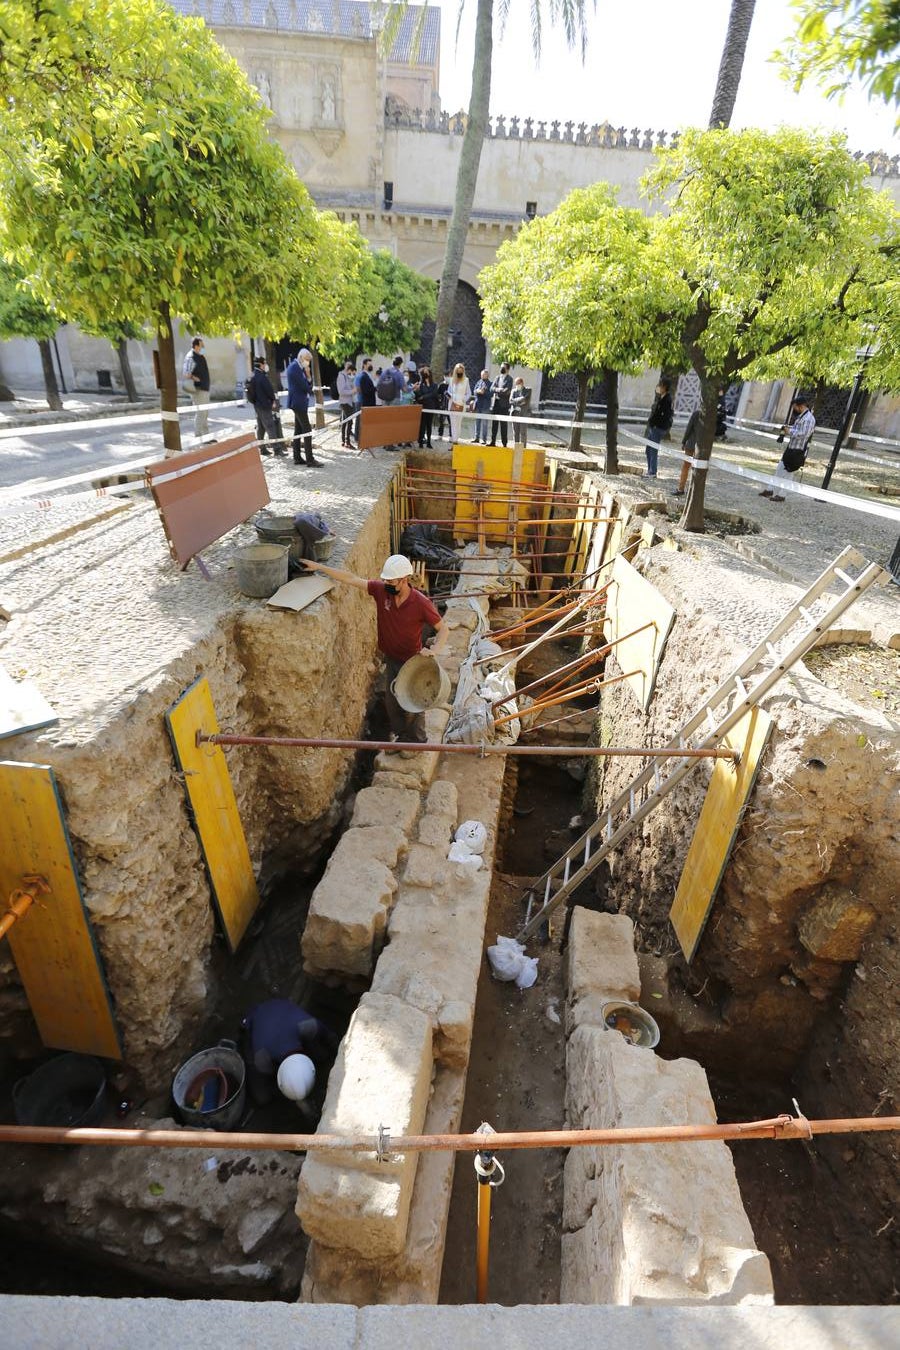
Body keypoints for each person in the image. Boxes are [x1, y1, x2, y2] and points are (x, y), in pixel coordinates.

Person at [301, 553, 449, 743]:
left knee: (414, 702)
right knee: (392, 702)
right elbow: (351, 578)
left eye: (391, 582)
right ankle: (401, 736)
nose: (387, 584)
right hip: (391, 658)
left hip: (412, 662)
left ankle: (418, 741)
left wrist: (434, 650)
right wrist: (319, 567)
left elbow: (443, 630)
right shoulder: (382, 591)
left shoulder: (421, 603)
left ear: (404, 580)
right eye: (385, 580)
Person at [242, 997, 339, 1105]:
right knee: (263, 1097)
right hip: (257, 1017)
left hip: (281, 1008)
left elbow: (330, 1037)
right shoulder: (261, 1057)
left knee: (322, 1055)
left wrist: (339, 1052)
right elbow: (267, 1073)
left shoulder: (309, 1026)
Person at [760, 394, 816, 503]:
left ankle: (782, 495)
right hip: (791, 448)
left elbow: (804, 434)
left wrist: (789, 431)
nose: (794, 409)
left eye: (795, 407)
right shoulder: (802, 416)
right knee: (780, 468)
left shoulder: (809, 419)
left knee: (789, 473)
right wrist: (788, 429)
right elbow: (797, 429)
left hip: (797, 450)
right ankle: (770, 489)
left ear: (801, 406)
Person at [286, 347, 322, 467]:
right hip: (298, 403)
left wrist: (308, 377)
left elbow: (307, 385)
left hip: (299, 403)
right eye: (307, 360)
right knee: (307, 431)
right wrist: (308, 377)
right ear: (301, 357)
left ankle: (297, 457)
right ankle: (310, 460)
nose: (308, 363)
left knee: (298, 431)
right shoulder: (295, 368)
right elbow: (306, 387)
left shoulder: (298, 367)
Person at [247, 355, 285, 456]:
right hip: (264, 406)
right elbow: (269, 390)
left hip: (257, 405)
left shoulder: (253, 376)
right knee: (270, 426)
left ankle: (262, 448)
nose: (265, 365)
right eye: (264, 363)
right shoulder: (262, 377)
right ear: (260, 365)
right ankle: (277, 449)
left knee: (261, 427)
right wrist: (273, 400)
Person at [644, 377, 673, 478]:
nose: (659, 387)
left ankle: (652, 472)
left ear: (664, 387)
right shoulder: (661, 397)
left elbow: (665, 415)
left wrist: (656, 424)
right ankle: (650, 470)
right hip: (654, 427)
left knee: (653, 449)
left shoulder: (667, 399)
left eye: (660, 385)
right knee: (648, 449)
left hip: (658, 428)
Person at [672, 405, 700, 497]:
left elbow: (689, 428)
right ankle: (692, 491)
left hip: (691, 444)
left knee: (686, 467)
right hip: (702, 447)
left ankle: (681, 488)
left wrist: (684, 441)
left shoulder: (697, 413)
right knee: (697, 469)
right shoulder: (711, 416)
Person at [187, 337, 210, 439]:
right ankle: (198, 436)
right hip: (198, 389)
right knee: (201, 413)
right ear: (196, 346)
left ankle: (206, 436)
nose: (203, 347)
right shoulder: (191, 357)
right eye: (202, 345)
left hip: (204, 388)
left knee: (205, 413)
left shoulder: (200, 356)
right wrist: (194, 378)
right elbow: (186, 372)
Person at [488, 363, 513, 447]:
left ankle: (504, 443)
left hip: (504, 405)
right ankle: (493, 441)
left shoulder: (510, 379)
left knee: (503, 425)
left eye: (503, 367)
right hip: (496, 403)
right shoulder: (497, 378)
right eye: (501, 367)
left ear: (507, 369)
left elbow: (507, 391)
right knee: (494, 423)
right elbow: (491, 388)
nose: (502, 368)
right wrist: (499, 389)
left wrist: (498, 390)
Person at [415, 366, 440, 448]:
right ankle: (421, 442)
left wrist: (424, 396)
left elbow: (434, 394)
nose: (426, 374)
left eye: (427, 372)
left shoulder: (434, 385)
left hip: (431, 407)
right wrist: (424, 396)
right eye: (424, 373)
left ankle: (429, 442)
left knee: (429, 425)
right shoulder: (420, 385)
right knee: (422, 425)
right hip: (423, 407)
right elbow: (419, 396)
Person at [447, 362, 471, 443]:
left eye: (461, 371)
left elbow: (469, 393)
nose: (459, 372)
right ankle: (454, 442)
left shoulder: (466, 380)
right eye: (458, 371)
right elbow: (449, 391)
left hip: (461, 405)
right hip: (452, 404)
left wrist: (464, 399)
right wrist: (449, 395)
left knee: (458, 424)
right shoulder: (451, 380)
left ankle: (456, 440)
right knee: (453, 424)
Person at [354, 356, 376, 444]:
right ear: (364, 365)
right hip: (362, 401)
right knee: (359, 421)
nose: (371, 366)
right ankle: (358, 438)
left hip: (365, 401)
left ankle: (362, 437)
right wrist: (374, 388)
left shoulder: (368, 375)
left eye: (371, 364)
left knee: (363, 421)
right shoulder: (361, 376)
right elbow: (360, 389)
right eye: (369, 364)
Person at [336, 360, 357, 447]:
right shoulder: (341, 376)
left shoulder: (348, 376)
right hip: (344, 402)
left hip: (349, 402)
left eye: (350, 366)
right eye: (348, 365)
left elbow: (350, 386)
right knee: (349, 421)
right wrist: (352, 391)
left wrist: (354, 387)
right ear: (345, 366)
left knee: (345, 422)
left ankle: (344, 441)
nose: (349, 367)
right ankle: (347, 442)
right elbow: (341, 391)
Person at [510, 377, 532, 448]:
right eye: (516, 384)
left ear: (522, 383)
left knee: (523, 432)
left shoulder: (528, 390)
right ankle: (516, 447)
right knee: (515, 432)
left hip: (524, 414)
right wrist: (520, 401)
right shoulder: (513, 391)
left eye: (518, 383)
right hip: (515, 413)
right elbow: (510, 401)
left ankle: (523, 448)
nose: (517, 385)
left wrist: (515, 400)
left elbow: (525, 400)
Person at [472, 370, 492, 444]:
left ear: (487, 375)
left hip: (485, 406)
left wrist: (484, 392)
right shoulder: (479, 382)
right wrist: (477, 391)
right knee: (477, 422)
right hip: (478, 405)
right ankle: (476, 438)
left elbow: (491, 394)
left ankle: (484, 439)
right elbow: (474, 391)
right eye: (482, 375)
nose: (482, 376)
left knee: (485, 423)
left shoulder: (490, 384)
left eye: (484, 375)